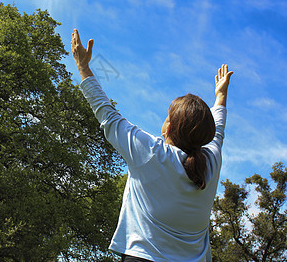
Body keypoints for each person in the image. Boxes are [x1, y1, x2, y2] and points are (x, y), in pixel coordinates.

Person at [71, 29, 233, 262]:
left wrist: (83, 67)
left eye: (168, 115)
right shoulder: (211, 163)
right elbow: (218, 131)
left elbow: (107, 114)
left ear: (169, 129)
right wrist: (221, 96)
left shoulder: (151, 153)